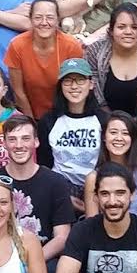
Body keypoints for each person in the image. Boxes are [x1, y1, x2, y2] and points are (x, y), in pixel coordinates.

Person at [2, 114, 77, 263]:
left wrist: (30, 262)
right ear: (4, 144)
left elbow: (62, 237)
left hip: (43, 260)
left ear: (36, 142)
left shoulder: (56, 182)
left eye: (25, 138)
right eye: (12, 139)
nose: (18, 145)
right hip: (1, 261)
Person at [37, 58, 104, 207]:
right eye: (67, 81)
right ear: (60, 86)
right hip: (59, 188)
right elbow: (43, 163)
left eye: (80, 80)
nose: (74, 86)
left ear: (91, 84)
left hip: (97, 187)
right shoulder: (49, 121)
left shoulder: (103, 120)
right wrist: (63, 194)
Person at [6, 0, 84, 119]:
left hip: (64, 115)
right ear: (30, 19)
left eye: (50, 17)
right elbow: (18, 92)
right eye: (38, 17)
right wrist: (31, 123)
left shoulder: (71, 46)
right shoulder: (17, 45)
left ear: (58, 20)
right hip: (30, 113)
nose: (44, 22)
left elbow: (77, 88)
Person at [83, 112, 137, 225]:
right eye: (113, 132)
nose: (119, 138)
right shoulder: (93, 178)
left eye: (125, 133)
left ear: (133, 138)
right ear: (104, 137)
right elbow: (92, 222)